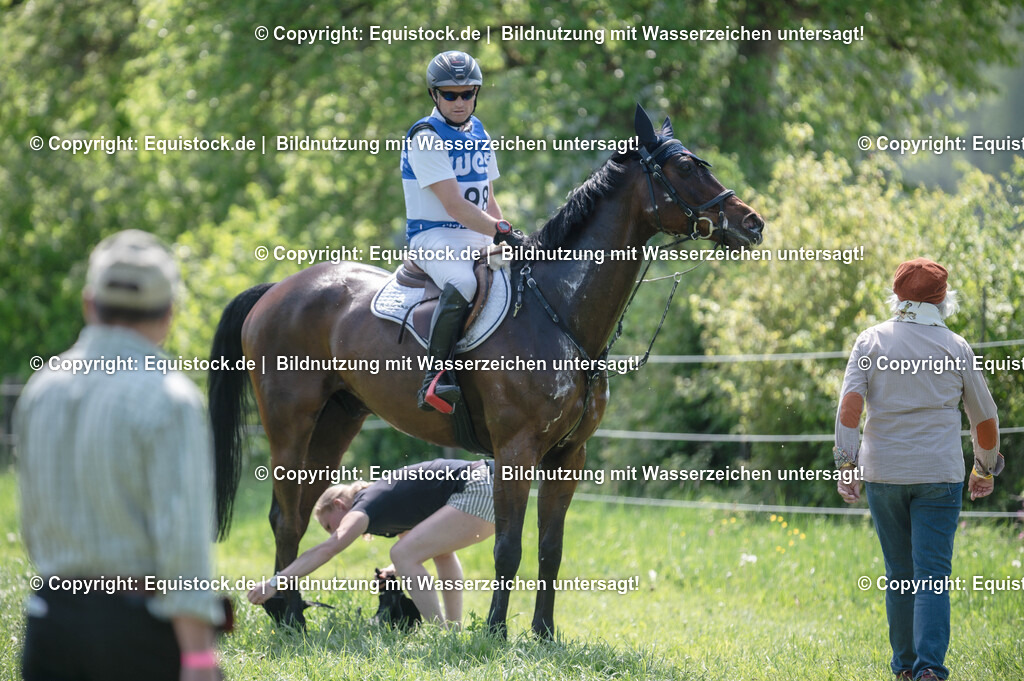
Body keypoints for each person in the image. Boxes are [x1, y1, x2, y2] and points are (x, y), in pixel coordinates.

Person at [15, 230, 225, 680]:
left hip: (50, 621)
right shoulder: (170, 397)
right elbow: (183, 544)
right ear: (169, 314)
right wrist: (199, 658)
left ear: (89, 304)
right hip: (138, 632)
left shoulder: (41, 388)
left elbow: (31, 525)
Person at [834, 257, 1003, 681]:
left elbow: (850, 409)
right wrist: (984, 469)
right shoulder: (956, 347)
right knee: (932, 575)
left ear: (896, 296)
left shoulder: (871, 341)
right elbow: (985, 420)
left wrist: (846, 463)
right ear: (943, 300)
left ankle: (904, 669)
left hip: (883, 474)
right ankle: (930, 669)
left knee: (899, 574)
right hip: (939, 476)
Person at [400, 50, 524, 412]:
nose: (459, 101)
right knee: (465, 283)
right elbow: (454, 205)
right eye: (450, 94)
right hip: (434, 235)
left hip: (477, 231)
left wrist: (508, 233)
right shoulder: (425, 136)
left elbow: (488, 199)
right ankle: (435, 378)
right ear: (434, 95)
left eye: (467, 93)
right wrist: (499, 232)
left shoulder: (480, 130)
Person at [247, 458, 494, 628]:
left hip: (478, 488)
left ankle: (442, 634)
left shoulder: (364, 504)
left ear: (338, 505)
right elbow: (420, 545)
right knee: (437, 553)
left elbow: (327, 549)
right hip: (491, 487)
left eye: (329, 525)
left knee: (403, 554)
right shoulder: (383, 503)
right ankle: (452, 631)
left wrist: (276, 582)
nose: (332, 532)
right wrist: (393, 571)